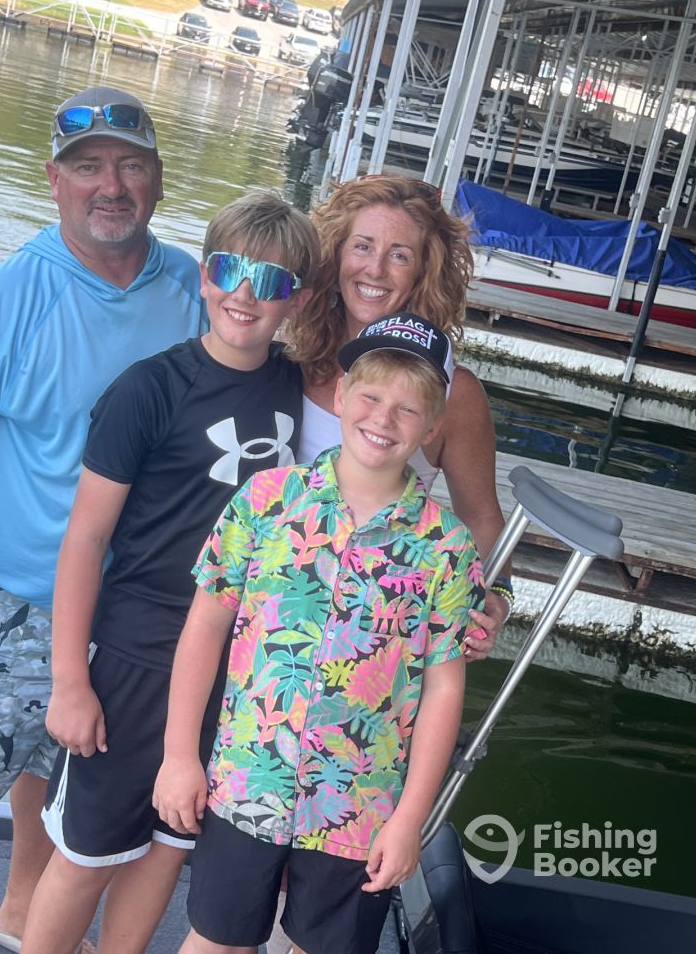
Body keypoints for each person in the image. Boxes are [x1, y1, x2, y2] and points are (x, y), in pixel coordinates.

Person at [0, 85, 207, 954]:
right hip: (1, 597)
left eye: (130, 166)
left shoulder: (192, 287)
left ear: (159, 180)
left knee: (61, 765)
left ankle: (19, 907)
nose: (110, 186)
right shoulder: (0, 299)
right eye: (88, 167)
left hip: (126, 604)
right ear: (54, 180)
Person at [20, 192, 317, 954]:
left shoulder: (299, 391)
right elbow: (86, 539)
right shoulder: (147, 390)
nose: (246, 293)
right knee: (87, 854)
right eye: (230, 270)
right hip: (134, 658)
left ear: (296, 299)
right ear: (204, 276)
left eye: (271, 280)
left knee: (168, 843)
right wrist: (70, 681)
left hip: (232, 670)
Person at [153, 313, 485, 954]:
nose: (383, 419)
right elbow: (204, 627)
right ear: (339, 397)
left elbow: (444, 689)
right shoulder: (265, 499)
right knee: (215, 939)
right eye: (371, 397)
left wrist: (409, 819)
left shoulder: (448, 548)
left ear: (432, 428)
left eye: (408, 409)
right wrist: (177, 756)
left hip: (360, 808)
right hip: (247, 781)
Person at [289, 174, 514, 651]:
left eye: (399, 256)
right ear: (335, 255)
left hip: (376, 629)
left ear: (423, 272)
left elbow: (480, 515)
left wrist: (496, 593)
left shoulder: (455, 391)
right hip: (275, 599)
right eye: (362, 247)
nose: (375, 270)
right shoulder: (294, 353)